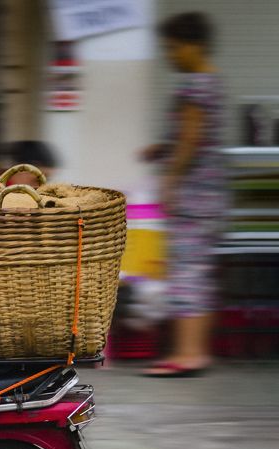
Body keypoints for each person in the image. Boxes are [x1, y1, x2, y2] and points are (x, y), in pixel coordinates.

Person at [139, 12, 226, 377]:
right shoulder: (211, 83)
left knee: (188, 276)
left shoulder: (195, 86)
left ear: (196, 46)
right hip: (210, 197)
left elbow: (191, 140)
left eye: (174, 47)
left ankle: (188, 354)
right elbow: (193, 137)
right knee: (199, 274)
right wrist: (163, 149)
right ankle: (195, 352)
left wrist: (171, 179)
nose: (170, 55)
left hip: (194, 199)